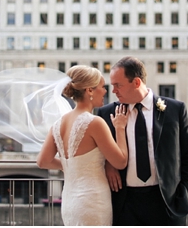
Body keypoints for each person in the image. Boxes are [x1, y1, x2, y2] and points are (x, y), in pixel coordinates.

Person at [97, 56, 188, 225]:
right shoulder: (106, 114)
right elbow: (97, 152)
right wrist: (108, 164)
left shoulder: (175, 109)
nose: (113, 91)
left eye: (118, 85)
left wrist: (185, 194)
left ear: (136, 82)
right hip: (123, 203)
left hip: (166, 203)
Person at [37, 65, 129, 226]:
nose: (105, 91)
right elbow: (120, 161)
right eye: (102, 87)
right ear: (89, 91)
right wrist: (120, 128)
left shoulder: (58, 124)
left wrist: (70, 167)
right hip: (93, 202)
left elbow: (43, 161)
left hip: (70, 202)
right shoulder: (94, 123)